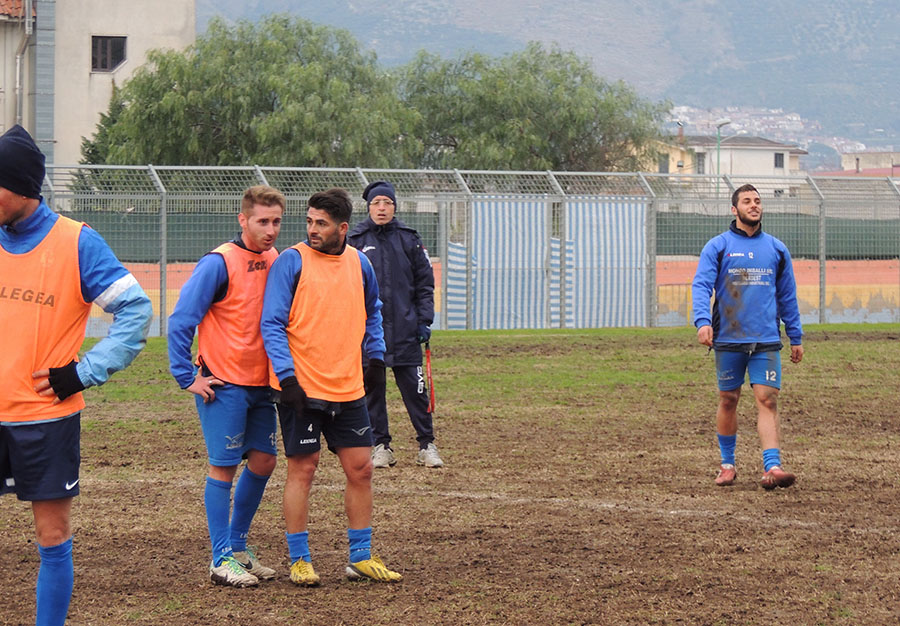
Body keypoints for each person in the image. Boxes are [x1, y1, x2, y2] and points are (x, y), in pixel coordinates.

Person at [0, 125, 152, 625]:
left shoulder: (76, 242)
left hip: (43, 419)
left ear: (21, 186)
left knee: (52, 539)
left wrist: (84, 372)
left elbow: (135, 310)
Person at [261, 187, 402, 586]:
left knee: (361, 469)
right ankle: (299, 559)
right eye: (308, 221)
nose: (312, 229)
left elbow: (372, 311)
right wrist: (287, 379)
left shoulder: (360, 264)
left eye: (320, 223)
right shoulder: (291, 261)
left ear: (342, 227)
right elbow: (271, 323)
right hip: (301, 390)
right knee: (303, 470)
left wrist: (376, 358)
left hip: (348, 387)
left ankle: (360, 557)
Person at [167, 185, 285, 588]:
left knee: (265, 462)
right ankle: (220, 559)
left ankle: (237, 546)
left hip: (262, 386)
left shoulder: (276, 259)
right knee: (223, 467)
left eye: (276, 222)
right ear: (243, 219)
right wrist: (187, 377)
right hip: (223, 384)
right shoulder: (219, 263)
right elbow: (181, 320)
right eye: (262, 221)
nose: (270, 230)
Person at [691, 183, 804, 490]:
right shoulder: (718, 246)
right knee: (729, 399)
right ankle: (727, 465)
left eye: (757, 201)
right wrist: (703, 321)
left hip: (766, 338)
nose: (754, 205)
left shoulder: (777, 249)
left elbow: (787, 295)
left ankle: (772, 467)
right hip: (728, 337)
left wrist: (795, 335)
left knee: (767, 399)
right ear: (734, 209)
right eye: (747, 201)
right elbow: (701, 286)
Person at [347, 180, 443, 469]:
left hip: (405, 331)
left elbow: (425, 284)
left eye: (387, 203)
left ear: (394, 206)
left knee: (416, 390)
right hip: (369, 335)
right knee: (372, 391)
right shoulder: (355, 241)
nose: (381, 208)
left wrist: (424, 320)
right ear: (368, 207)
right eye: (376, 203)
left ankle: (427, 444)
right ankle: (380, 446)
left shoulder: (409, 239)